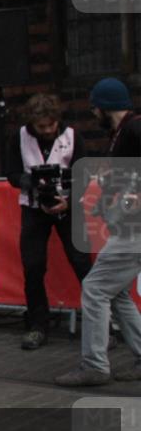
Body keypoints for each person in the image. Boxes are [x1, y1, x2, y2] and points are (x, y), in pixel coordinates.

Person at [55, 78, 141, 386]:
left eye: (94, 108)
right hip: (130, 227)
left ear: (103, 107)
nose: (93, 115)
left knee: (94, 288)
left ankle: (94, 365)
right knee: (115, 291)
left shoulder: (134, 128)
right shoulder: (123, 134)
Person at [4, 93, 93, 350]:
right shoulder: (19, 136)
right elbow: (11, 173)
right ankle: (37, 324)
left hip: (69, 205)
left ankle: (100, 324)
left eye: (50, 126)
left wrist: (70, 198)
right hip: (33, 207)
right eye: (40, 127)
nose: (46, 131)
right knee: (33, 266)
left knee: (81, 263)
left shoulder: (73, 136)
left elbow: (84, 174)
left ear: (57, 120)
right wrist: (29, 182)